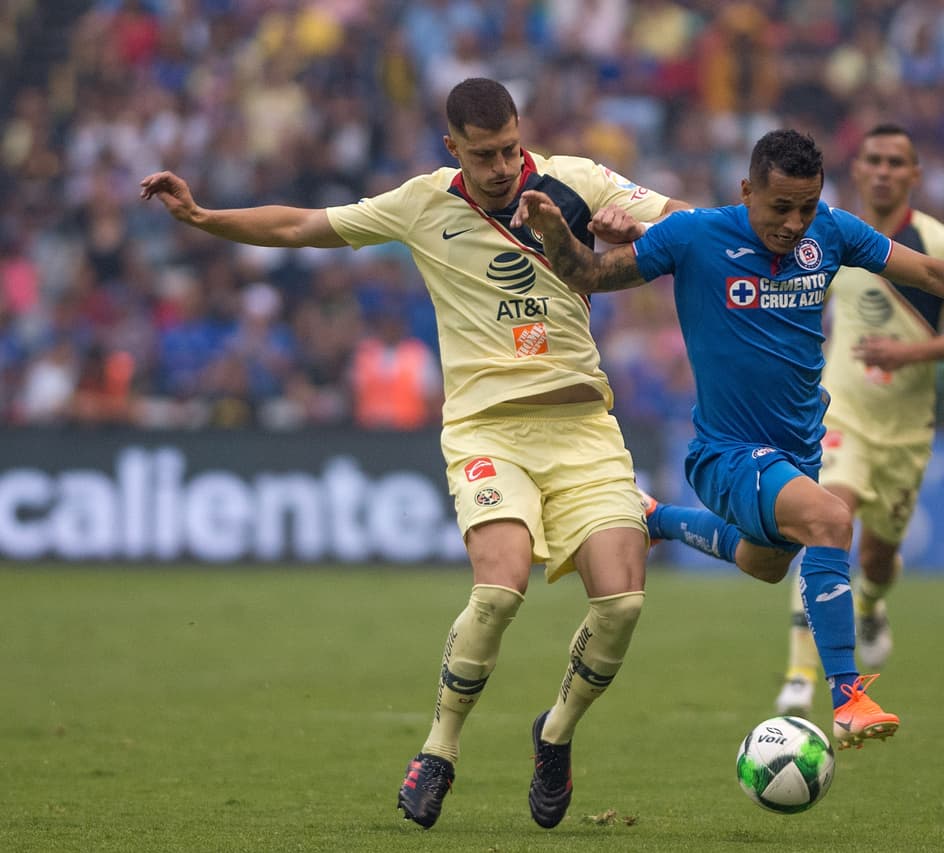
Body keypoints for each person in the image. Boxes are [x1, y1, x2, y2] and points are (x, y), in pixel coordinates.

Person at [141, 77, 690, 831]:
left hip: (583, 427)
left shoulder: (579, 182)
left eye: (508, 148)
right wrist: (203, 215)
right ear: (452, 148)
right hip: (486, 430)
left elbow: (690, 224)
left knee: (622, 602)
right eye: (483, 154)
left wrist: (652, 226)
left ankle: (555, 731)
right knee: (498, 590)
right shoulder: (423, 202)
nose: (501, 166)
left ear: (520, 133)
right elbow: (304, 225)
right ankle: (439, 750)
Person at [513, 129, 944, 752]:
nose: (795, 223)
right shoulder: (697, 236)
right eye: (780, 208)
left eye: (806, 206)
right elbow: (592, 273)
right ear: (747, 191)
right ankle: (848, 698)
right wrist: (556, 232)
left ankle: (657, 519)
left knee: (766, 565)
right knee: (830, 519)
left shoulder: (833, 231)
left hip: (797, 452)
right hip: (726, 454)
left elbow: (930, 272)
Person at [769, 123, 944, 716]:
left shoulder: (940, 245)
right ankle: (799, 674)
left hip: (906, 430)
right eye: (875, 160)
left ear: (915, 174)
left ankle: (868, 604)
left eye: (898, 161)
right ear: (859, 169)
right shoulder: (822, 236)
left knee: (877, 559)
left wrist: (910, 353)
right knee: (825, 522)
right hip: (841, 415)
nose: (885, 170)